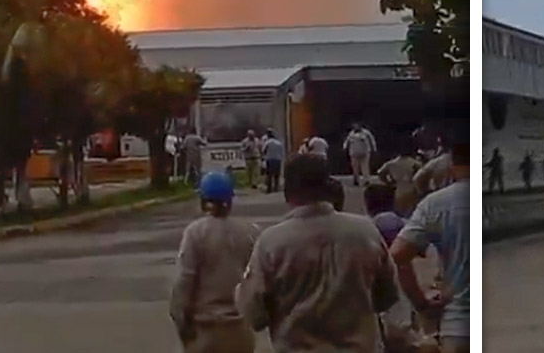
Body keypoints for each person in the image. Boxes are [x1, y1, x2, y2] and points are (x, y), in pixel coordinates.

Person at [237, 154, 399, 352]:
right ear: (329, 188)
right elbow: (387, 296)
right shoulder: (366, 231)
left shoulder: (272, 242)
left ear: (288, 192)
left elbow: (254, 314)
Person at [391, 138, 470, 353]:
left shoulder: (437, 203)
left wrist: (421, 304)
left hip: (459, 323)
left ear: (452, 163)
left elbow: (397, 256)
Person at [169, 171, 259, 353]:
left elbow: (184, 282)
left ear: (203, 200)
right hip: (240, 328)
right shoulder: (250, 232)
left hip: (205, 329)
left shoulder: (195, 233)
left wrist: (181, 321)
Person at [364, 184, 436, 353]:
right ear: (393, 201)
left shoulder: (361, 227)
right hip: (397, 303)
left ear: (367, 204)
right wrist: (420, 301)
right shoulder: (397, 224)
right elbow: (403, 266)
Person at [379, 142, 422, 216]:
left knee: (398, 211)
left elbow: (380, 173)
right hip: (411, 188)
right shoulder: (415, 163)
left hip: (397, 188)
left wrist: (389, 182)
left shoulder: (391, 163)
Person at [261, 129, 285, 194]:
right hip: (278, 159)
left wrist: (263, 157)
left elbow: (263, 151)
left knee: (269, 175)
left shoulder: (267, 142)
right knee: (276, 175)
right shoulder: (279, 143)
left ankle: (269, 189)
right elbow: (281, 152)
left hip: (270, 159)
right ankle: (276, 187)